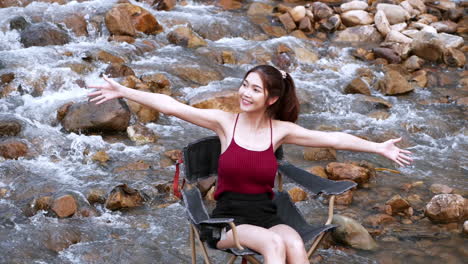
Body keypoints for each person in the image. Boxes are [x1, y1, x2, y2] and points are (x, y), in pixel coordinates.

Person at [88, 65, 412, 264]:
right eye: (245, 84)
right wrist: (123, 90)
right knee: (273, 244)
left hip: (268, 217)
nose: (244, 93)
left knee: (294, 244)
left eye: (255, 89)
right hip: (229, 224)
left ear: (271, 99)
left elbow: (334, 139)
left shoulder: (280, 132)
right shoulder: (224, 123)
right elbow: (172, 106)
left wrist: (377, 147)